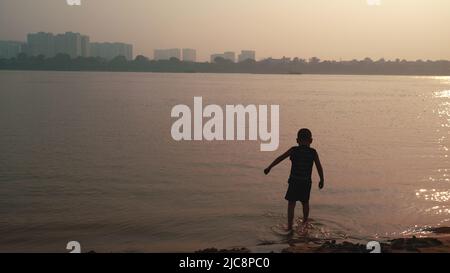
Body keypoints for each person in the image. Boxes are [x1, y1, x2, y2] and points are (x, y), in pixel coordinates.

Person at [264, 128, 324, 233]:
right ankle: (305, 222)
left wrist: (270, 167)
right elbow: (319, 167)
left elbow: (280, 158)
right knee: (305, 203)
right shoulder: (313, 152)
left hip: (294, 181)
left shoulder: (293, 150)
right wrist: (322, 179)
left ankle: (290, 226)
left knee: (291, 203)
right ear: (311, 140)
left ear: (297, 140)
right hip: (306, 182)